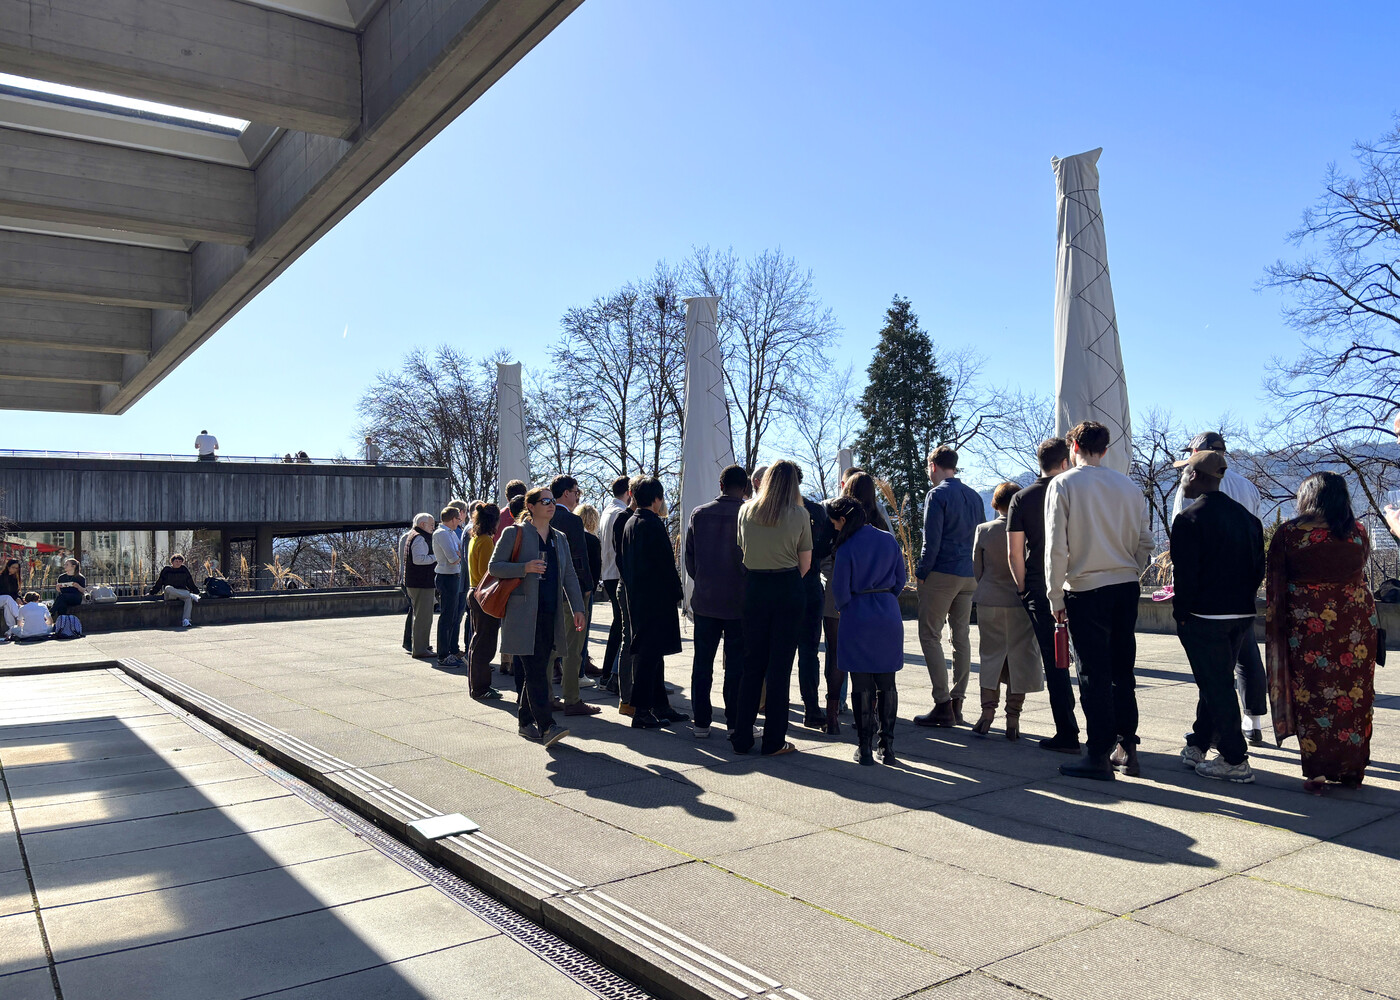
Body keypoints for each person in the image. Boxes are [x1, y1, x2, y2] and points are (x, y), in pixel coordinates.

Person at [1045, 421, 1156, 780]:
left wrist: (1054, 594)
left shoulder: (1063, 484)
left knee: (1093, 673)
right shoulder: (1129, 487)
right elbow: (1145, 543)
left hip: (1085, 587)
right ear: (1105, 449)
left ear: (1073, 446)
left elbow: (1055, 548)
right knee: (1123, 669)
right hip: (1124, 585)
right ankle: (1127, 746)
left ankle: (1097, 752)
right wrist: (1128, 570)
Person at [1266, 472, 1377, 793]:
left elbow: (1275, 580)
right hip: (1356, 626)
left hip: (1308, 627)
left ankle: (1316, 773)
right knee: (1354, 697)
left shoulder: (1290, 534)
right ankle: (1352, 769)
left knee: (1312, 695)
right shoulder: (1356, 532)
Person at [1171, 451, 1266, 784]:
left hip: (1204, 616)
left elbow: (1186, 576)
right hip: (1241, 613)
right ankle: (1199, 742)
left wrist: (1181, 615)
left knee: (1216, 685)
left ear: (1196, 476)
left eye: (1184, 474)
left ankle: (1234, 757)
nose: (1181, 479)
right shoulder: (1247, 519)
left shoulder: (1189, 519)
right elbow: (1258, 569)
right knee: (1216, 681)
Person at [490, 487, 587, 748]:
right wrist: (525, 568)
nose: (550, 504)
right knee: (535, 670)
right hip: (523, 614)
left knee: (538, 667)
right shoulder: (515, 532)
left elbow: (569, 576)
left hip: (550, 613)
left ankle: (524, 722)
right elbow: (494, 566)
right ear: (530, 506)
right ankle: (547, 725)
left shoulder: (559, 538)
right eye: (544, 501)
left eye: (552, 501)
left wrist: (578, 608)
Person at [730, 460, 812, 757]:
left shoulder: (746, 510)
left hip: (754, 587)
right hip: (787, 587)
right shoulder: (800, 514)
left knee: (752, 664)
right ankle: (774, 740)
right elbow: (805, 563)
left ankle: (741, 736)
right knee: (779, 667)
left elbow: (742, 551)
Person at [1007, 438, 1082, 752]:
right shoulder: (1075, 491)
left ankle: (1067, 731)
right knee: (1089, 661)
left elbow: (1014, 552)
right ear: (1065, 462)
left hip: (1039, 587)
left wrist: (1023, 589)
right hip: (1079, 583)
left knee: (1056, 664)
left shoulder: (1021, 498)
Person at [829, 496, 906, 766]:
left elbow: (839, 589)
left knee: (861, 682)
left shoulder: (847, 546)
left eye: (835, 523)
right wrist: (886, 597)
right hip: (887, 612)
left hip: (857, 613)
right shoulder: (888, 539)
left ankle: (864, 747)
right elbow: (901, 579)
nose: (835, 528)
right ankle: (888, 747)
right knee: (887, 682)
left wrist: (847, 606)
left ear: (843, 519)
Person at [914, 446, 986, 727]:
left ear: (933, 465)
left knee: (930, 634)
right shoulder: (974, 495)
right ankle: (957, 703)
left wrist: (921, 571)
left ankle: (942, 703)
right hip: (970, 573)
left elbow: (931, 540)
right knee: (961, 637)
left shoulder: (937, 494)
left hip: (943, 571)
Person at [818, 471, 891, 733]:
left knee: (836, 655)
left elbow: (822, 555)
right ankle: (869, 713)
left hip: (836, 595)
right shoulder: (880, 523)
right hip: (872, 599)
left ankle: (832, 716)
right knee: (869, 656)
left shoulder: (835, 517)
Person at [972, 482, 1045, 739]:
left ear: (995, 503)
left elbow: (977, 569)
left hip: (989, 600)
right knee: (1019, 659)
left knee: (990, 657)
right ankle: (1012, 718)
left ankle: (987, 713)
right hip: (1019, 602)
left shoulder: (984, 530)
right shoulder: (1026, 532)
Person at [684, 465, 750, 738]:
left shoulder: (699, 514)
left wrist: (703, 578)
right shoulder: (749, 515)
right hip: (740, 601)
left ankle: (701, 721)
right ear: (745, 488)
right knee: (736, 666)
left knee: (703, 663)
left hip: (706, 599)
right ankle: (734, 720)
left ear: (720, 486)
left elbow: (689, 559)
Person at [619, 477, 688, 729]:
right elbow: (665, 564)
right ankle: (642, 710)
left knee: (653, 654)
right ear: (657, 498)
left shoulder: (630, 522)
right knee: (649, 655)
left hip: (638, 596)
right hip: (656, 598)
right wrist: (677, 593)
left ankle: (659, 705)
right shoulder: (652, 524)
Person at [548, 475, 600, 716]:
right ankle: (572, 698)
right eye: (576, 491)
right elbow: (579, 559)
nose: (578, 495)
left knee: (549, 646)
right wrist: (587, 587)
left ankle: (547, 695)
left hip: (547, 589)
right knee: (572, 646)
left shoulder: (541, 517)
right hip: (572, 591)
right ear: (566, 493)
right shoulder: (571, 520)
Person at [796, 467, 835, 730]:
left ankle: (772, 708)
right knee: (809, 650)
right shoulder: (814, 510)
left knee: (775, 651)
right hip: (810, 584)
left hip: (776, 584)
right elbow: (826, 546)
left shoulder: (764, 511)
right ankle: (811, 708)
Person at [465, 503, 504, 701]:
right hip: (484, 595)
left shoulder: (475, 539)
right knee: (485, 643)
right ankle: (481, 687)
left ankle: (477, 685)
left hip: (473, 592)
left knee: (478, 641)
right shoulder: (487, 541)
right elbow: (487, 573)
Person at [610, 478, 644, 714]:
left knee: (629, 638)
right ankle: (627, 697)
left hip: (628, 584)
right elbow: (621, 557)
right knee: (629, 639)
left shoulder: (628, 517)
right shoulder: (624, 518)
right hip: (629, 586)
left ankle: (630, 696)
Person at [598, 475, 631, 693]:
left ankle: (608, 672)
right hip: (617, 573)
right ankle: (612, 674)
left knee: (617, 625)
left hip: (608, 572)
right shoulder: (620, 513)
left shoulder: (607, 511)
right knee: (622, 626)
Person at [433, 505, 465, 668]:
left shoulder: (451, 533)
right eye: (458, 519)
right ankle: (443, 654)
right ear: (453, 519)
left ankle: (449, 652)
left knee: (453, 615)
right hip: (447, 576)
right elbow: (453, 557)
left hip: (454, 575)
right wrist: (460, 555)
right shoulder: (442, 534)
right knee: (446, 616)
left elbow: (459, 552)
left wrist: (459, 554)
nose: (460, 522)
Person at [575, 503, 604, 677]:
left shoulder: (572, 537)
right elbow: (595, 568)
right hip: (586, 589)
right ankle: (582, 664)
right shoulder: (593, 541)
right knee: (583, 631)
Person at [404, 512, 438, 659]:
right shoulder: (419, 538)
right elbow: (419, 559)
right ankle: (420, 649)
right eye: (431, 525)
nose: (433, 527)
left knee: (421, 617)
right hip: (421, 583)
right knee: (423, 618)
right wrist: (437, 557)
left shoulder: (414, 535)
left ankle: (421, 646)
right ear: (423, 525)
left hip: (417, 582)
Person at [150, 553, 202, 627]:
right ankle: (189, 594)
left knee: (188, 599)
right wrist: (152, 592)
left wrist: (196, 591)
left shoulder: (184, 569)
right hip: (171, 593)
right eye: (176, 561)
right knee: (168, 588)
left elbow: (190, 582)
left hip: (181, 592)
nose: (178, 563)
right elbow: (160, 582)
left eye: (180, 561)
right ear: (172, 562)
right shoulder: (167, 569)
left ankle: (186, 620)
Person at [0, 559, 22, 632]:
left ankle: (12, 628)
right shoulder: (1, 577)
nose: (15, 570)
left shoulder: (14, 579)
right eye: (13, 567)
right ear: (8, 567)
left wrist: (18, 598)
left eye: (16, 568)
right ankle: (20, 617)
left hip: (5, 601)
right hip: (2, 598)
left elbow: (15, 593)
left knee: (7, 606)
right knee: (7, 598)